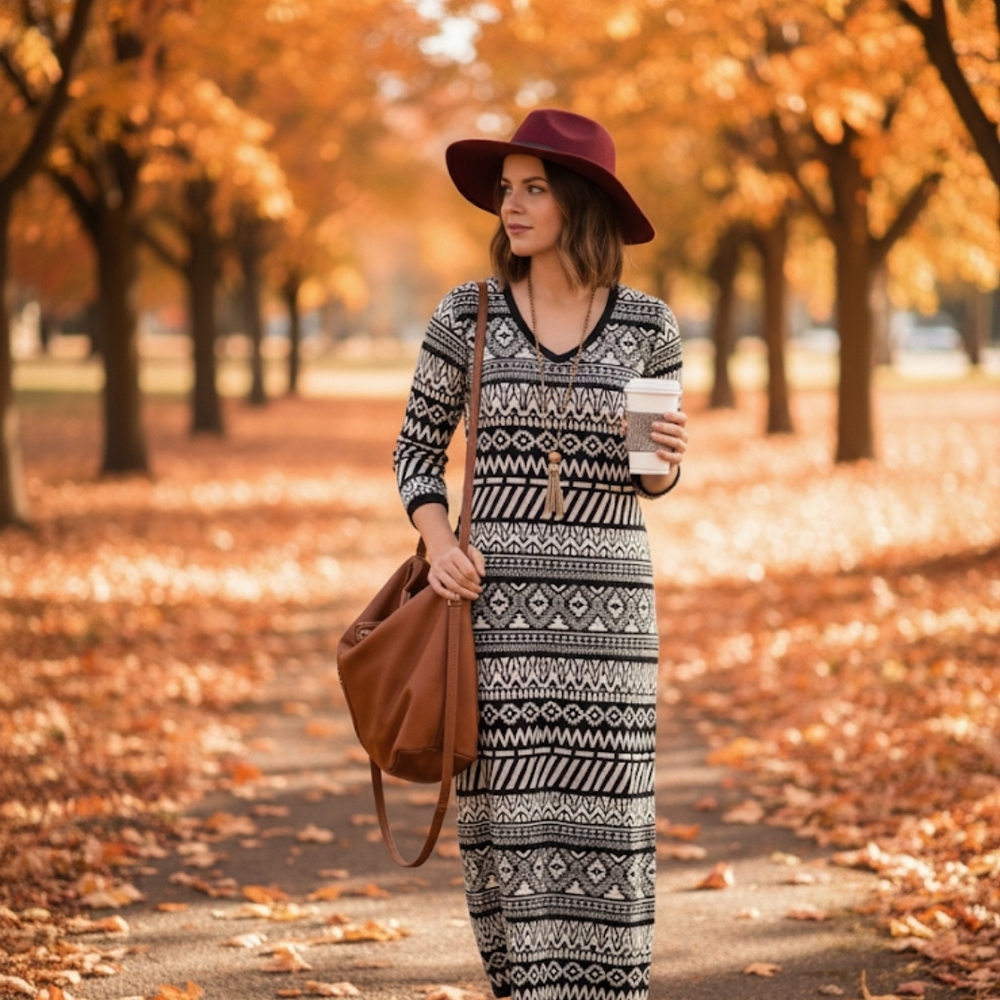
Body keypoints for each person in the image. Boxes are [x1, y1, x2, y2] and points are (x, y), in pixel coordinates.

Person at [393, 108, 688, 1000]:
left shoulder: (647, 326)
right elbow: (416, 447)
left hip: (611, 634)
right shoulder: (467, 313)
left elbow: (648, 483)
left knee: (610, 837)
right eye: (505, 190)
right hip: (496, 625)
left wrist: (666, 466)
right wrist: (439, 544)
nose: (510, 207)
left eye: (533, 189)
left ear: (581, 200)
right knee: (509, 838)